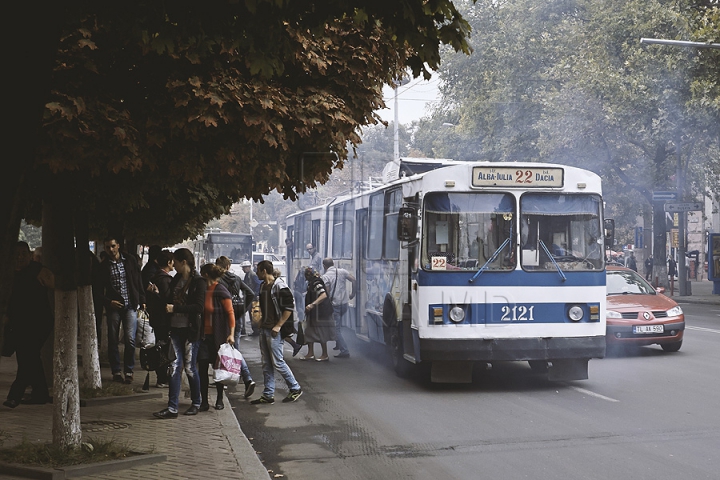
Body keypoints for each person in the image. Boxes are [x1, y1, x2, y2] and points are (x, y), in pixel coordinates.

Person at [154, 248, 206, 419]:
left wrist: (175, 308)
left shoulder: (199, 282)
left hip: (191, 331)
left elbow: (198, 307)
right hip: (175, 329)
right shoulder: (176, 278)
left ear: (183, 262)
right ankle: (172, 407)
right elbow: (168, 298)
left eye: (175, 262)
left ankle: (196, 402)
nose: (173, 265)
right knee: (175, 367)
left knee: (190, 368)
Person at [3, 242, 54, 408]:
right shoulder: (8, 273)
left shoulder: (37, 269)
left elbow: (54, 284)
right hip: (18, 324)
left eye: (23, 253)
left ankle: (14, 395)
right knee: (30, 358)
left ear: (29, 254)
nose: (19, 257)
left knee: (28, 357)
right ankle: (40, 394)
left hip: (39, 323)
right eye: (16, 254)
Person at [198, 264, 255, 410]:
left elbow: (230, 313)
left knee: (219, 369)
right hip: (203, 336)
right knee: (202, 368)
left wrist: (231, 333)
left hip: (218, 335)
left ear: (206, 275)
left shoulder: (220, 290)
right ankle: (204, 401)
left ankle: (219, 399)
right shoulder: (202, 290)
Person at [250, 260, 302, 405]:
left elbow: (288, 308)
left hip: (274, 331)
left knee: (278, 362)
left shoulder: (280, 286)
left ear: (264, 271)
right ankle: (268, 394)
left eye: (258, 270)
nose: (257, 273)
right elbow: (264, 305)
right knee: (266, 363)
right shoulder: (263, 286)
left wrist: (278, 326)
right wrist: (261, 320)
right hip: (265, 329)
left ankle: (295, 388)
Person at [99, 237, 146, 384]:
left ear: (118, 246)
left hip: (130, 305)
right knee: (113, 339)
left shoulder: (129, 260)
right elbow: (98, 290)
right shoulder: (104, 266)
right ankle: (116, 371)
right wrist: (109, 302)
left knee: (130, 339)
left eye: (113, 246)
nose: (111, 250)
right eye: (108, 247)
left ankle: (129, 370)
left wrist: (142, 299)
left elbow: (138, 280)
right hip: (114, 306)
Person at [146, 250, 174, 387]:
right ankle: (162, 377)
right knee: (164, 348)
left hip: (156, 319)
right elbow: (167, 300)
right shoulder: (165, 280)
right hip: (164, 320)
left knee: (160, 346)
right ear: (169, 263)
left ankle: (161, 376)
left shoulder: (155, 278)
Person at [321, 258, 356, 358]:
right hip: (344, 304)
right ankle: (338, 344)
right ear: (333, 263)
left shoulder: (326, 276)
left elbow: (327, 293)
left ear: (324, 266)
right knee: (338, 325)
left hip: (335, 305)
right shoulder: (342, 271)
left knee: (336, 329)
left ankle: (344, 351)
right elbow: (353, 279)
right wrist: (353, 293)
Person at [299, 267, 335, 362]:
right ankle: (310, 353)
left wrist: (312, 304)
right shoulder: (312, 283)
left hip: (320, 313)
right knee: (309, 332)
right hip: (314, 313)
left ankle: (325, 354)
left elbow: (323, 295)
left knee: (321, 333)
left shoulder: (316, 283)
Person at [216, 256, 255, 340]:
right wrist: (243, 308)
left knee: (222, 345)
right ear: (227, 266)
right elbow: (251, 293)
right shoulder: (237, 278)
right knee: (235, 343)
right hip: (237, 313)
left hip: (222, 315)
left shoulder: (216, 280)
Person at [241, 260, 261, 335]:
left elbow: (258, 284)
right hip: (249, 297)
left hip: (252, 298)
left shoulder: (253, 275)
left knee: (253, 313)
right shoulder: (247, 275)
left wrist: (255, 294)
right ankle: (252, 330)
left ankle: (255, 330)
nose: (243, 269)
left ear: (248, 267)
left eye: (244, 268)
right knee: (250, 313)